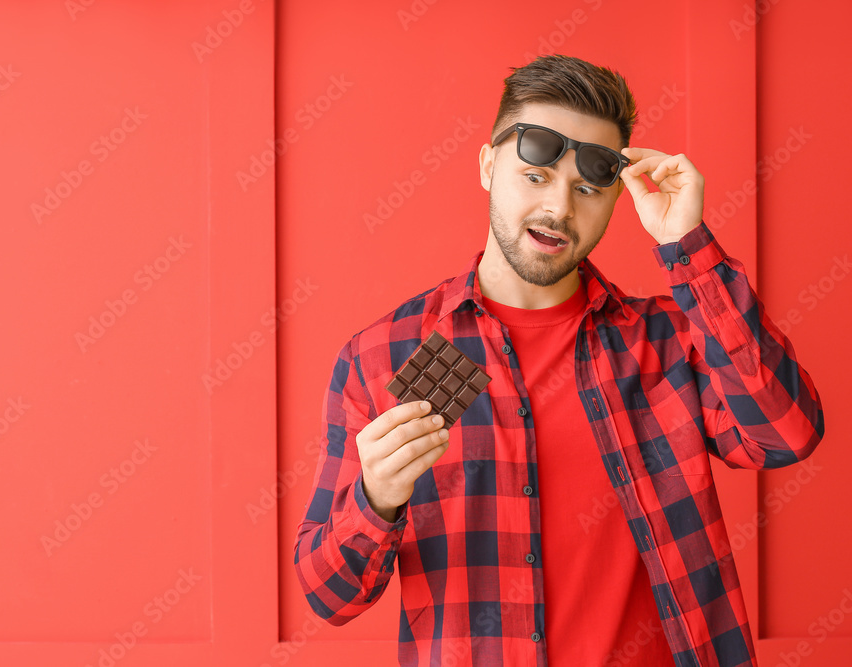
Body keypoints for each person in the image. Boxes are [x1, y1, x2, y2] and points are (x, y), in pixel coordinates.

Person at [293, 54, 825, 666]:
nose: (561, 210)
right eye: (537, 177)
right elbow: (328, 595)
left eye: (588, 188)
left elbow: (788, 434)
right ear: (490, 166)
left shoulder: (665, 341)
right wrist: (376, 496)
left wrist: (689, 247)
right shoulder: (384, 357)